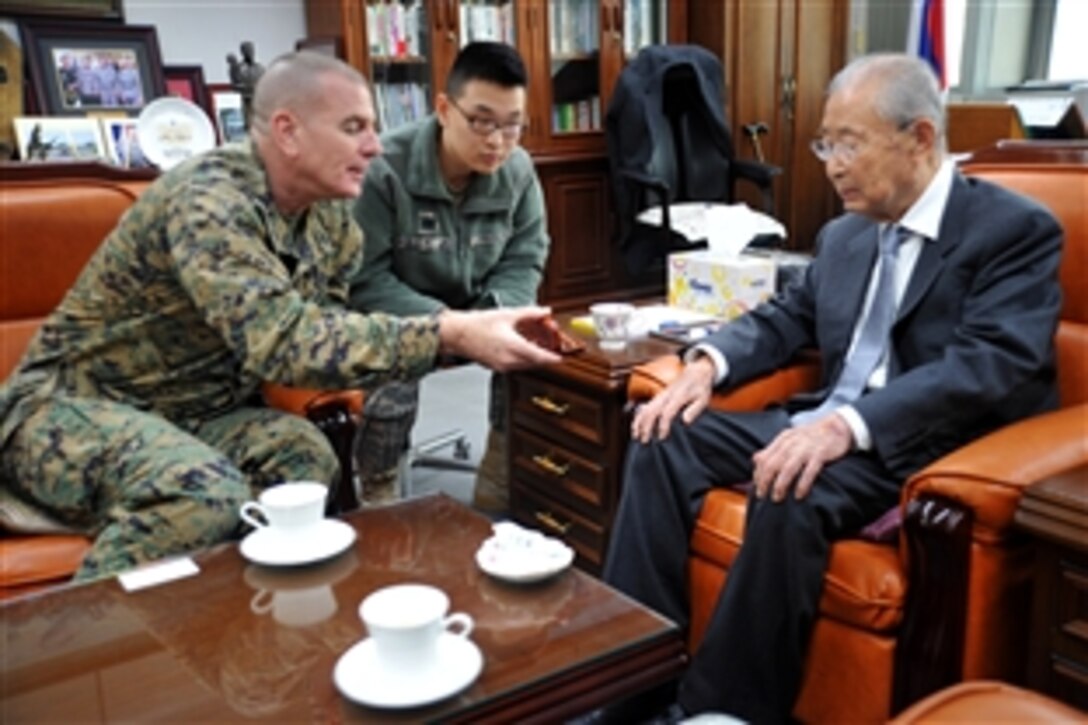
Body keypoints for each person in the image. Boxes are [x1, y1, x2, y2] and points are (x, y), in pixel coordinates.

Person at [602, 53, 1062, 723]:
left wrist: (848, 427)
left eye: (849, 142)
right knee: (661, 432)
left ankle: (718, 711)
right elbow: (785, 318)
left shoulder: (1012, 230)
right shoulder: (844, 234)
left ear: (920, 138)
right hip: (823, 419)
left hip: (918, 446)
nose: (830, 162)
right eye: (826, 142)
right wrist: (704, 364)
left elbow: (990, 363)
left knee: (790, 484)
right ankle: (629, 685)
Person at [0, 51, 560, 582]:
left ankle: (235, 615)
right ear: (288, 131)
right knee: (204, 493)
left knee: (306, 461)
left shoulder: (333, 220)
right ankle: (83, 653)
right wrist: (450, 331)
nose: (374, 146)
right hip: (73, 409)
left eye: (373, 127)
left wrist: (460, 331)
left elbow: (335, 325)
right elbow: (282, 341)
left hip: (195, 415)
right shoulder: (211, 200)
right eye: (353, 128)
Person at [349, 41, 548, 509]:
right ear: (443, 108)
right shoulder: (384, 170)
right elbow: (365, 279)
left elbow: (526, 257)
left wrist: (495, 318)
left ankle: (501, 477)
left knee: (532, 349)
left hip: (482, 309)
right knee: (389, 362)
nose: (497, 140)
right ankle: (381, 488)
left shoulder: (518, 171)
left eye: (512, 124)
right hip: (403, 315)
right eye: (481, 121)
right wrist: (448, 327)